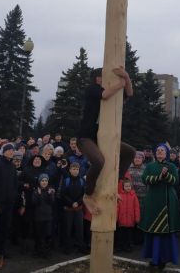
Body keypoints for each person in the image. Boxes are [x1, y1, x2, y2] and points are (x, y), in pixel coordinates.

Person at [77, 66, 135, 216]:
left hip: (103, 138)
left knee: (130, 152)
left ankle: (114, 185)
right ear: (97, 78)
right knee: (98, 161)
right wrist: (120, 83)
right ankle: (88, 194)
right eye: (104, 76)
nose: (108, 80)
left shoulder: (113, 93)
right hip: (86, 138)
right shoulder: (92, 89)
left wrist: (126, 77)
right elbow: (105, 94)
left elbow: (129, 92)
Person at [139, 144, 180, 270]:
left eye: (162, 151)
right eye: (158, 150)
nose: (160, 152)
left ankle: (164, 258)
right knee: (153, 230)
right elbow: (145, 179)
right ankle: (153, 258)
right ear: (155, 153)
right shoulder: (149, 166)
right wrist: (159, 177)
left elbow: (175, 181)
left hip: (168, 201)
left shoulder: (171, 166)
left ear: (166, 154)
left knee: (165, 232)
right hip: (152, 200)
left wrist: (166, 176)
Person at [59, 162, 86, 254]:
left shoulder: (82, 180)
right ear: (70, 170)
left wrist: (78, 203)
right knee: (67, 229)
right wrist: (71, 203)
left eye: (77, 169)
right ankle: (67, 248)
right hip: (68, 209)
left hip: (78, 209)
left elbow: (84, 194)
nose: (75, 171)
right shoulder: (66, 180)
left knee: (79, 229)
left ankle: (80, 247)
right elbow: (63, 194)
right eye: (73, 169)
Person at [31, 173, 55, 257]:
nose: (44, 182)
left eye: (46, 181)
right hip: (38, 217)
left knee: (47, 235)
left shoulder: (50, 190)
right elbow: (34, 203)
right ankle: (38, 251)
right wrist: (39, 194)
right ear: (39, 182)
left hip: (48, 216)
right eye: (42, 181)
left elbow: (52, 202)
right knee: (38, 235)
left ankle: (46, 251)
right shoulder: (36, 190)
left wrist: (49, 195)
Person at [116, 178, 140, 252]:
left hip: (130, 220)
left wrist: (137, 218)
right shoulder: (120, 196)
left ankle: (128, 246)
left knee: (129, 235)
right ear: (123, 187)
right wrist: (116, 218)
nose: (128, 187)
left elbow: (136, 207)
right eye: (126, 186)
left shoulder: (134, 196)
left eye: (129, 186)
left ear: (131, 187)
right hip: (121, 219)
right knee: (120, 235)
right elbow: (117, 208)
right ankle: (120, 246)